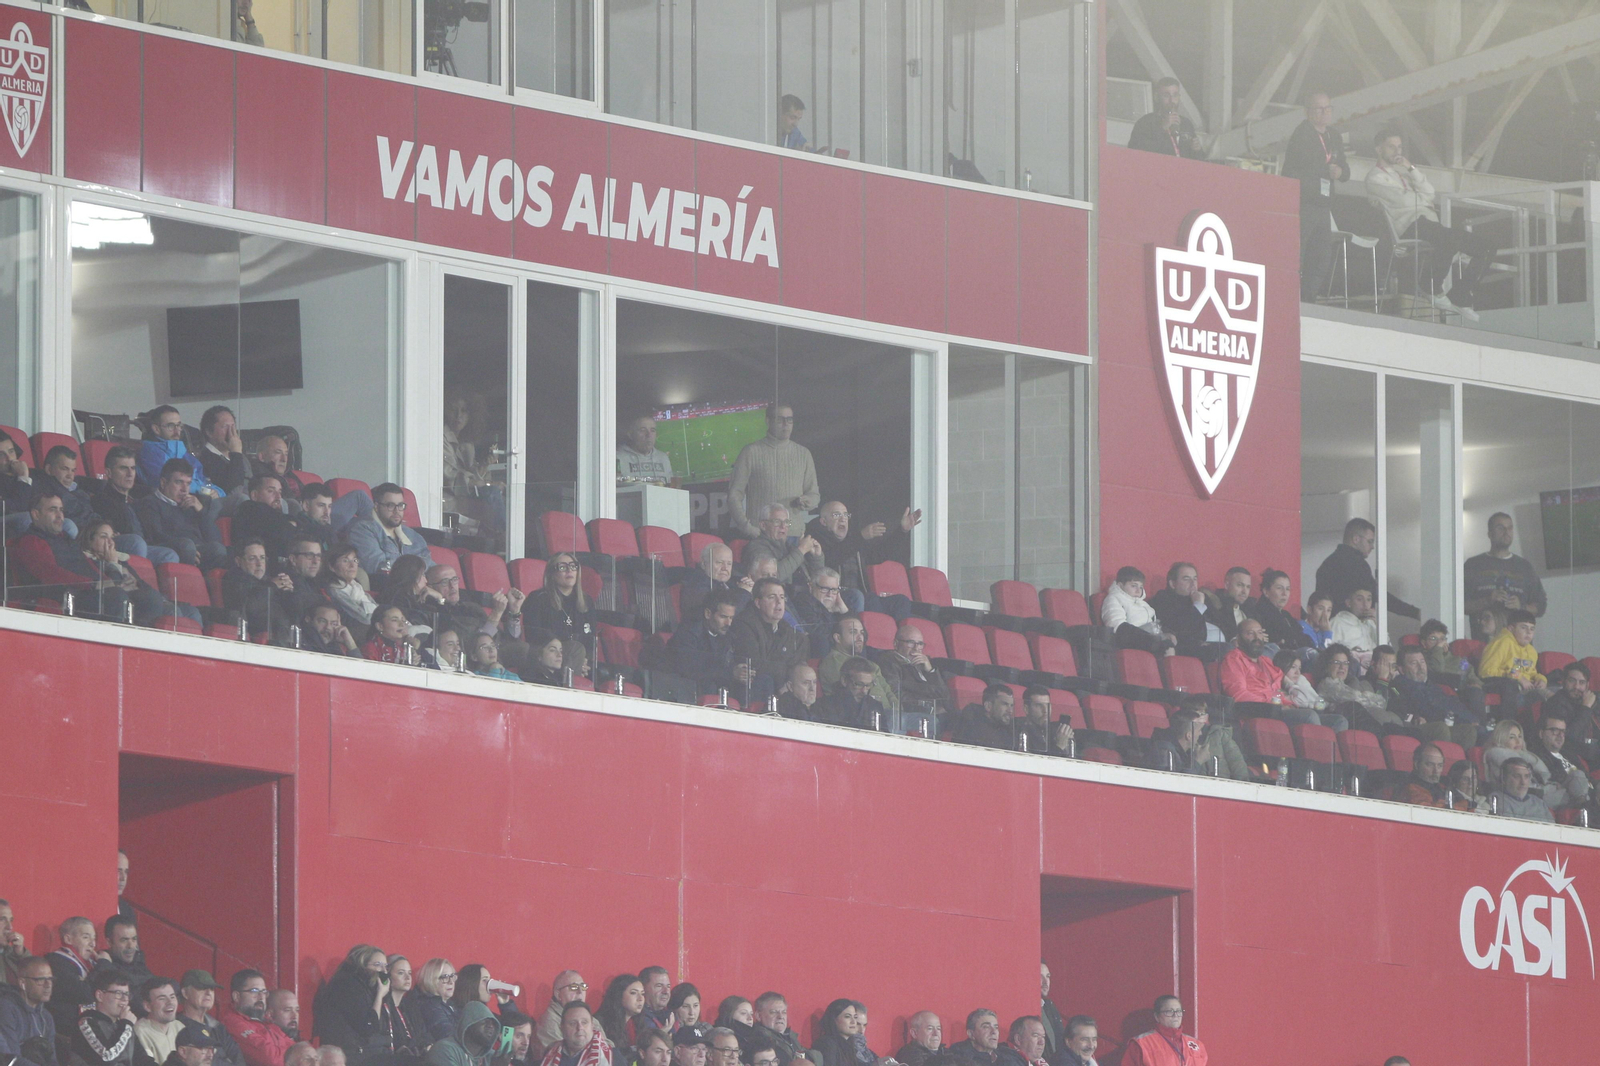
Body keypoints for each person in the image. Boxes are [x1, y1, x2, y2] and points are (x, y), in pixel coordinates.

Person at [1366, 128, 1500, 321]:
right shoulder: (1375, 177)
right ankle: (1430, 285)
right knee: (1450, 238)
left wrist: (1411, 168)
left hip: (1428, 223)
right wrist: (1422, 198)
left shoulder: (1403, 175)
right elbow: (1405, 201)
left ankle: (1460, 295)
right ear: (1379, 149)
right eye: (1391, 147)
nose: (1397, 151)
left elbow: (1430, 193)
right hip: (1410, 226)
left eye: (1399, 147)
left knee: (1487, 247)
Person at [1282, 91, 1349, 300]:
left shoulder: (1334, 136)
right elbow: (1292, 171)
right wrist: (1322, 171)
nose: (1324, 113)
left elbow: (1345, 170)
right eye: (1319, 109)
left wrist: (1340, 172)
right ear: (1307, 112)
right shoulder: (1302, 134)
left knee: (1321, 257)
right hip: (1305, 202)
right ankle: (1290, 297)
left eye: (1327, 108)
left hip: (1324, 204)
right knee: (1299, 253)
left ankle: (1309, 298)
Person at [802, 501, 920, 616]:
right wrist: (860, 537)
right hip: (836, 597)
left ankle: (903, 630)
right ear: (824, 521)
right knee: (861, 597)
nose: (843, 519)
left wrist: (902, 531)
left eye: (845, 515)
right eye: (836, 515)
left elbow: (878, 555)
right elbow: (830, 561)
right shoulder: (815, 541)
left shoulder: (853, 541)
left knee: (901, 601)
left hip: (863, 596)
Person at [726, 404, 820, 539]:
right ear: (768, 421)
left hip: (794, 536)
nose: (785, 424)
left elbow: (814, 495)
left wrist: (807, 501)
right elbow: (734, 495)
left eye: (789, 420)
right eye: (779, 419)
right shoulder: (751, 452)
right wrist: (747, 528)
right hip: (762, 536)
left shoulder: (804, 454)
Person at [89, 446, 178, 565]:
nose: (130, 474)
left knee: (169, 554)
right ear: (109, 473)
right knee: (136, 542)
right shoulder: (101, 500)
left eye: (133, 468)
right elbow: (99, 528)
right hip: (119, 544)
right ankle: (132, 576)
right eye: (123, 468)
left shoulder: (140, 499)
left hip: (143, 545)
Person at [134, 460, 228, 570]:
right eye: (179, 482)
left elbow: (216, 539)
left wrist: (200, 511)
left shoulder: (191, 504)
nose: (184, 489)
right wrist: (185, 547)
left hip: (199, 552)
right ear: (163, 483)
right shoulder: (150, 503)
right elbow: (155, 536)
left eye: (188, 483)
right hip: (178, 550)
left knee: (230, 551)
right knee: (192, 547)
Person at [730, 578, 807, 704]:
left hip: (784, 690)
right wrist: (786, 671)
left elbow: (798, 668)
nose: (779, 602)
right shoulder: (744, 624)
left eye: (782, 597)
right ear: (758, 603)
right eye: (772, 597)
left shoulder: (791, 632)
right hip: (754, 692)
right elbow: (754, 665)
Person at [311, 945, 391, 1062]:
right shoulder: (348, 986)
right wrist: (380, 995)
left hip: (365, 1052)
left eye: (385, 966)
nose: (384, 971)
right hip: (352, 1055)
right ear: (361, 964)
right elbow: (368, 1027)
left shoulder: (365, 987)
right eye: (377, 965)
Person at [1392, 646, 1478, 748]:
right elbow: (1427, 710)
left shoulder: (1432, 686)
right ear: (1401, 669)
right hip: (1421, 727)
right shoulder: (1400, 686)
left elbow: (1452, 704)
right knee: (1441, 728)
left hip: (1448, 722)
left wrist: (1472, 720)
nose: (1421, 667)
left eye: (1422, 662)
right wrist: (1463, 721)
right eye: (1414, 663)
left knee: (1470, 731)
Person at [1464, 512, 1546, 618]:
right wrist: (1488, 600)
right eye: (1500, 528)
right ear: (1490, 534)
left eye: (1510, 528)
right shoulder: (1473, 565)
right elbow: (1460, 605)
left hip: (1516, 628)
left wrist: (1521, 607)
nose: (1506, 532)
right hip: (1482, 628)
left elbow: (1541, 607)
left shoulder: (1525, 566)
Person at [667, 590, 743, 698]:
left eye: (731, 618)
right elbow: (691, 670)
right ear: (708, 614)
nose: (728, 623)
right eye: (723, 617)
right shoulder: (687, 635)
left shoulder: (729, 638)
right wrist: (730, 673)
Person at [347, 485, 433, 578]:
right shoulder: (363, 530)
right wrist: (416, 572)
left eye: (400, 505)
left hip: (420, 582)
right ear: (376, 506)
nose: (397, 511)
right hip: (388, 584)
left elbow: (429, 564)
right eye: (390, 505)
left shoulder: (412, 534)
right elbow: (378, 567)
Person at [1147, 563, 1227, 660]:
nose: (1193, 584)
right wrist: (1198, 606)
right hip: (1185, 648)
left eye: (1195, 579)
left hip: (1212, 645)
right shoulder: (1163, 598)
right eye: (1186, 579)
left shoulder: (1202, 597)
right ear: (1173, 584)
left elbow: (1221, 623)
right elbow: (1182, 628)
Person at [137, 407, 220, 499]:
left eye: (179, 425)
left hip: (199, 498)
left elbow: (205, 481)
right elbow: (170, 484)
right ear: (156, 429)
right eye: (171, 426)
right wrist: (203, 490)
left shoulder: (182, 450)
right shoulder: (149, 452)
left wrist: (217, 492)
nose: (177, 431)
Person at [817, 616, 896, 709]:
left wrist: (897, 711)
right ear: (838, 638)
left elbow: (888, 692)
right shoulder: (832, 662)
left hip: (888, 714)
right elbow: (849, 696)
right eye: (853, 632)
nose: (860, 637)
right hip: (862, 714)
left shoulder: (867, 663)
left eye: (861, 632)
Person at [875, 624, 954, 717]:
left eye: (920, 644)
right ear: (896, 644)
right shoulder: (888, 661)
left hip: (940, 713)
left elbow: (945, 696)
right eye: (911, 642)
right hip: (913, 714)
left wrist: (930, 671)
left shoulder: (926, 663)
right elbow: (895, 694)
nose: (916, 648)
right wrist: (929, 707)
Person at [528, 554, 597, 660]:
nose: (569, 570)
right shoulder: (538, 599)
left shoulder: (587, 601)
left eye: (573, 566)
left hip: (580, 661)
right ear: (552, 574)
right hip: (549, 660)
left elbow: (590, 640)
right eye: (562, 567)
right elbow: (535, 638)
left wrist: (585, 661)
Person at [1477, 609, 1550, 708]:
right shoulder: (1502, 642)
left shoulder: (1531, 651)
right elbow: (1485, 671)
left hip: (1525, 688)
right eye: (1523, 627)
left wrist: (1541, 680)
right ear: (1511, 628)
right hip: (1504, 686)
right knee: (1535, 696)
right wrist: (1518, 677)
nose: (1528, 632)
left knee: (1555, 693)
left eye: (1532, 629)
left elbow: (1530, 672)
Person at [217, 972, 290, 1066]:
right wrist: (292, 1056)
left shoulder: (267, 1023)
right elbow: (270, 1059)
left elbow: (298, 1050)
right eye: (254, 991)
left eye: (264, 992)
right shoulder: (232, 1023)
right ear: (237, 996)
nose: (261, 997)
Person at [1418, 619, 1487, 719]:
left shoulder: (1456, 659)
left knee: (1477, 692)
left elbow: (1470, 673)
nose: (1439, 643)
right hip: (1444, 694)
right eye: (1433, 638)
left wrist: (1476, 684)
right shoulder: (1423, 659)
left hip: (1465, 691)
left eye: (1442, 639)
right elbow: (1438, 670)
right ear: (1424, 643)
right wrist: (1438, 650)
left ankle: (1481, 726)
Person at [1525, 712, 1593, 813]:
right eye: (1555, 730)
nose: (1561, 735)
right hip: (1564, 798)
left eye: (1563, 731)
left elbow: (1589, 778)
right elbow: (1549, 783)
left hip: (1589, 793)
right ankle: (1585, 808)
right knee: (1577, 774)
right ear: (1541, 733)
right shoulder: (1536, 757)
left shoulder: (1570, 754)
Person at [1100, 568, 1176, 657]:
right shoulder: (1113, 599)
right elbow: (1117, 626)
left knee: (1171, 644)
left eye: (1141, 587)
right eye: (1133, 586)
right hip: (1130, 641)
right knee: (1166, 648)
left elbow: (1153, 623)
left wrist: (1165, 633)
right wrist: (1150, 639)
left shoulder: (1144, 604)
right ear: (1120, 585)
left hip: (1148, 639)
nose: (1138, 590)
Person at [176, 973, 243, 1066]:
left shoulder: (218, 1027)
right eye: (202, 987)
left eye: (212, 989)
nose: (208, 993)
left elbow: (238, 1059)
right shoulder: (175, 1026)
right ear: (185, 993)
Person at [1314, 519, 1376, 618]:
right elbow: (1377, 594)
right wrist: (1404, 609)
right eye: (1370, 541)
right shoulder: (1359, 565)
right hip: (1351, 625)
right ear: (1356, 539)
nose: (1372, 547)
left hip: (1328, 624)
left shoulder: (1326, 564)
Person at [0, 956, 56, 1066]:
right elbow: (10, 1060)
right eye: (40, 980)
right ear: (22, 983)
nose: (48, 985)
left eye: (50, 979)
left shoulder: (46, 1017)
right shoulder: (6, 1009)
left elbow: (52, 1060)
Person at [1127, 77, 1202, 159]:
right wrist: (1162, 129)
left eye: (1175, 95)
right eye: (1166, 95)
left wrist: (1197, 150)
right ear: (1156, 97)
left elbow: (1197, 159)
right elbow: (1134, 154)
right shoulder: (1145, 122)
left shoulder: (1186, 123)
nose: (1172, 100)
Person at [232, 476, 300, 564]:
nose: (278, 497)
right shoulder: (249, 510)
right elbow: (284, 535)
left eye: (280, 492)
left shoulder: (279, 516)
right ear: (254, 495)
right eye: (271, 491)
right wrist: (291, 526)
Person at [1543, 662, 1600, 764]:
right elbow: (1567, 738)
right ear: (1563, 681)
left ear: (1587, 685)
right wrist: (1585, 708)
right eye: (1572, 681)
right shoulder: (1556, 703)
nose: (1576, 687)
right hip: (1579, 755)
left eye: (1581, 682)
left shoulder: (1591, 698)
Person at [1121, 997, 1206, 1066]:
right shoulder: (1141, 1043)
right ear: (1157, 1016)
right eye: (1169, 1011)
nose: (1175, 1015)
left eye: (1178, 1011)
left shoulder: (1197, 1045)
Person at [790, 568, 854, 657]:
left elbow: (859, 633)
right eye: (824, 589)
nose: (830, 594)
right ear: (811, 586)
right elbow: (818, 632)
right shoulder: (803, 602)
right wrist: (828, 611)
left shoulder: (839, 607)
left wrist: (844, 611)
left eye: (834, 590)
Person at [1245, 570, 1311, 652]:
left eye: (1288, 589)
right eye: (1279, 588)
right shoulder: (1257, 614)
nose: (1284, 593)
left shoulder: (1286, 615)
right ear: (1266, 591)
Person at [812, 657, 885, 730]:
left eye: (868, 685)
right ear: (844, 680)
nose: (864, 691)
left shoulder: (875, 707)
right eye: (859, 684)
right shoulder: (823, 706)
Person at [401, 961, 458, 1055]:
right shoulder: (429, 1005)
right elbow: (448, 1036)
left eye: (452, 976)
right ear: (430, 980)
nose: (451, 982)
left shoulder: (450, 1003)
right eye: (444, 977)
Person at [319, 545, 378, 635]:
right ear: (332, 567)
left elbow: (377, 609)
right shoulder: (336, 591)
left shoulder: (357, 587)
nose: (352, 565)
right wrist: (382, 618)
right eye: (345, 561)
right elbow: (365, 619)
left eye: (355, 560)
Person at [680, 544, 753, 615]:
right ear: (704, 564)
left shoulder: (734, 582)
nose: (725, 568)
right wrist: (744, 592)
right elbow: (723, 615)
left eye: (729, 564)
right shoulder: (697, 585)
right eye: (719, 562)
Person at [422, 1002, 501, 1066]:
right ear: (468, 1023)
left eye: (494, 1024)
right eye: (485, 1021)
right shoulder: (444, 1050)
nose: (491, 1026)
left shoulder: (491, 1056)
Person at [1397, 742, 1470, 809]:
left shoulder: (1443, 786)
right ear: (1417, 765)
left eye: (1439, 766)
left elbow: (1468, 805)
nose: (1436, 771)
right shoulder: (1410, 788)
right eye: (1430, 765)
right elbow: (1429, 810)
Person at [196, 407, 249, 495]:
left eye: (233, 426)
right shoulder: (204, 459)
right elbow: (233, 489)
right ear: (209, 432)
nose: (231, 432)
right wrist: (236, 453)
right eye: (225, 427)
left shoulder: (240, 455)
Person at [539, 1002, 609, 1066]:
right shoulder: (550, 1052)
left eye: (584, 1022)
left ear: (592, 1026)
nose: (580, 1027)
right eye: (573, 1023)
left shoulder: (610, 1056)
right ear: (562, 1028)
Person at [534, 973, 586, 1060]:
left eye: (583, 986)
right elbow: (561, 1059)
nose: (580, 991)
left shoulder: (591, 1019)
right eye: (574, 987)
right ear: (558, 994)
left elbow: (608, 1049)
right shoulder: (549, 1022)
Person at [1489, 757, 1554, 822]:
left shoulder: (1539, 803)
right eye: (1517, 776)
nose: (1523, 782)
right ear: (1503, 779)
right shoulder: (1496, 800)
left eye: (1526, 776)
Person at [952, 684, 1015, 750]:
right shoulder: (970, 728)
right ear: (988, 706)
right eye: (1005, 704)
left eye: (1011, 705)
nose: (1010, 711)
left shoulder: (1010, 730)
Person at [617, 415, 675, 486]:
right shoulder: (618, 458)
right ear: (631, 435)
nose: (649, 435)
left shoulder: (663, 458)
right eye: (643, 430)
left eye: (652, 430)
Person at [135, 979, 183, 1066]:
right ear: (147, 1006)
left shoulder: (179, 1027)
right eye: (162, 999)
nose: (170, 1002)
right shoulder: (139, 1032)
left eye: (172, 997)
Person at [1329, 588, 1378, 673]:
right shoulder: (1338, 622)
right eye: (1359, 599)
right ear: (1348, 603)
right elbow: (1330, 652)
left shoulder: (1372, 624)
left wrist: (1377, 624)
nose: (1365, 604)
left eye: (1368, 599)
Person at [749, 996, 807, 1066]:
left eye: (784, 1012)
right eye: (773, 1012)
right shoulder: (761, 1039)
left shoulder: (790, 1036)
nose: (781, 1016)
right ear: (758, 1016)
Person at [593, 976, 644, 1054]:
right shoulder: (600, 1022)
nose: (640, 998)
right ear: (619, 995)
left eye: (643, 994)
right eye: (633, 993)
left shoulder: (637, 1023)